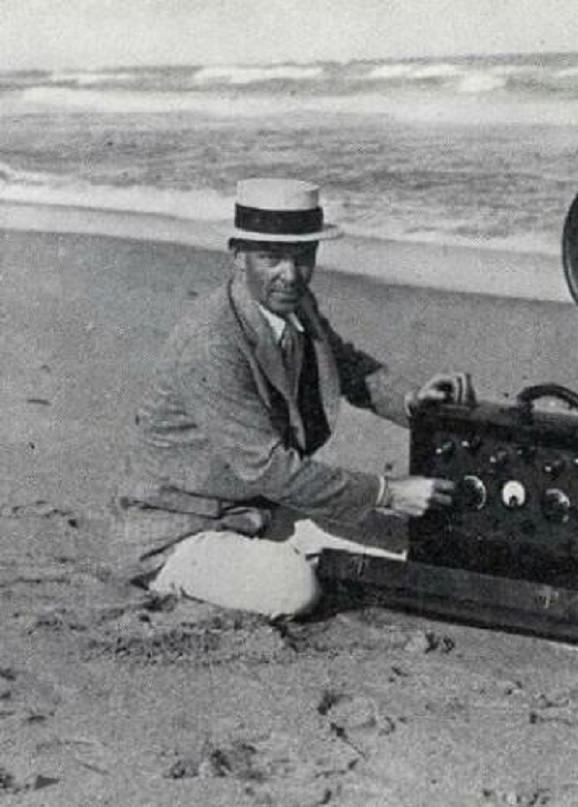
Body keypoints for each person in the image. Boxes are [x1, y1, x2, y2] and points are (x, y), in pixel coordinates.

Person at [113, 178, 473, 618]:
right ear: (238, 257)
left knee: (412, 546)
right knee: (293, 589)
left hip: (261, 511)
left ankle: (289, 553)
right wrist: (388, 492)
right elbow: (271, 468)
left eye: (303, 257)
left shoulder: (292, 305)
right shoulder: (211, 342)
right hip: (180, 528)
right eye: (271, 258)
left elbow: (346, 366)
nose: (290, 273)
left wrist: (412, 400)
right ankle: (189, 575)